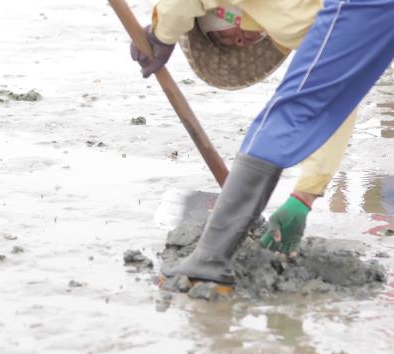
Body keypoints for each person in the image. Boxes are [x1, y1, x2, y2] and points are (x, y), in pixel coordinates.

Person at [132, 0, 394, 284]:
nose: (240, 42)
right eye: (234, 46)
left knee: (282, 117)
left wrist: (161, 36)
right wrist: (303, 197)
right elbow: (335, 103)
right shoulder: (307, 28)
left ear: (219, 15)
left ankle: (209, 259)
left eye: (224, 37)